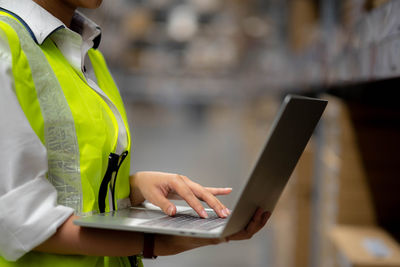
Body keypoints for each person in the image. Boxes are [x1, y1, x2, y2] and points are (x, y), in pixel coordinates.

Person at [0, 0, 271, 266]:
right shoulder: (5, 44)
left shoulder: (88, 54)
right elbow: (18, 221)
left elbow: (74, 183)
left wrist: (135, 187)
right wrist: (160, 242)